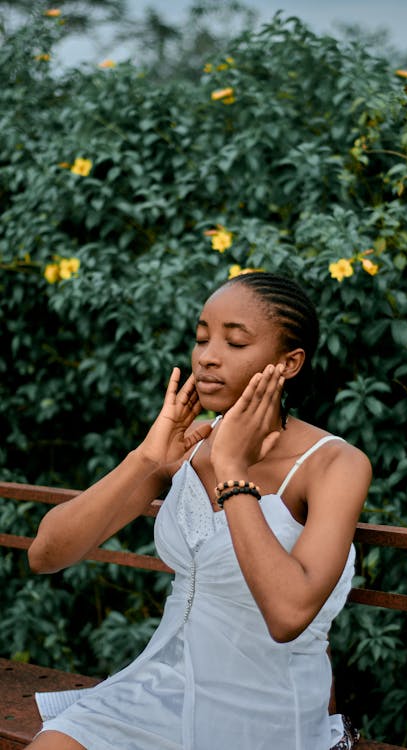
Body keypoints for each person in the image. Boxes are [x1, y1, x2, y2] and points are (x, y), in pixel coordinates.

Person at [26, 271, 372, 750]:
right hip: (160, 690)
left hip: (263, 713)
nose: (207, 356)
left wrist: (232, 470)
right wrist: (147, 457)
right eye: (202, 339)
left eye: (233, 342)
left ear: (289, 363)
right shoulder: (188, 448)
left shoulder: (335, 463)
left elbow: (288, 613)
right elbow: (46, 554)